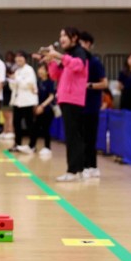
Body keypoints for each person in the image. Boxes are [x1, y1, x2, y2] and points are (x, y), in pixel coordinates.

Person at [40, 27, 89, 182]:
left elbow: (78, 66)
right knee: (73, 135)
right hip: (66, 99)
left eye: (64, 35)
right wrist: (52, 61)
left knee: (74, 136)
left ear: (73, 37)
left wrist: (59, 56)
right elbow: (55, 75)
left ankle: (73, 171)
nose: (61, 38)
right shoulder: (67, 55)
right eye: (60, 35)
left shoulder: (79, 51)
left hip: (73, 99)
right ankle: (78, 170)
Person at [79, 32, 108, 179]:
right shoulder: (78, 62)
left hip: (91, 105)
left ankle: (93, 166)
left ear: (89, 44)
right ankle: (84, 166)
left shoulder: (95, 63)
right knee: (81, 138)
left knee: (90, 137)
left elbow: (104, 83)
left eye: (82, 43)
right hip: (78, 105)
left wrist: (88, 85)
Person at [8, 51, 38, 154]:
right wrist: (12, 81)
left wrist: (16, 79)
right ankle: (18, 144)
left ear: (25, 59)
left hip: (27, 102)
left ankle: (32, 146)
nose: (18, 60)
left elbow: (29, 85)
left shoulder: (29, 70)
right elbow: (14, 86)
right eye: (17, 58)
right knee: (16, 124)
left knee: (30, 124)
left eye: (20, 58)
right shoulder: (17, 71)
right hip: (17, 102)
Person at [31, 63, 56, 158]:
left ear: (47, 71)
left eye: (42, 69)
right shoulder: (38, 82)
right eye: (39, 68)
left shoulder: (50, 82)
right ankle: (32, 146)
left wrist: (42, 106)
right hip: (38, 108)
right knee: (35, 128)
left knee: (46, 128)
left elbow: (51, 96)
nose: (40, 71)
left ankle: (47, 147)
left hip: (47, 109)